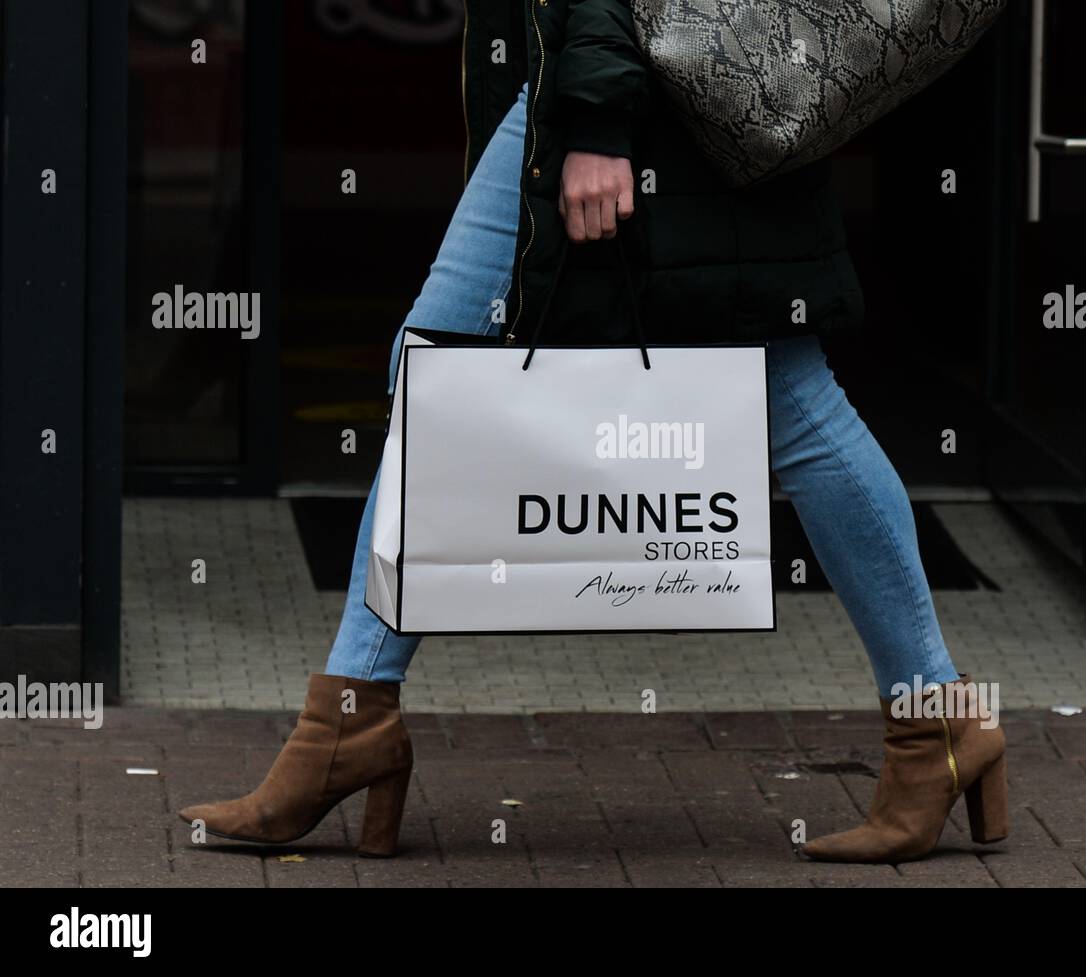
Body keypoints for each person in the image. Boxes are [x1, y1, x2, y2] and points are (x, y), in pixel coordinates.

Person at [178, 0, 1007, 864]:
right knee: (767, 394)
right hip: (640, 78)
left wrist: (601, 122)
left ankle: (350, 724)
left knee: (461, 370)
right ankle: (935, 727)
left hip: (642, 86)